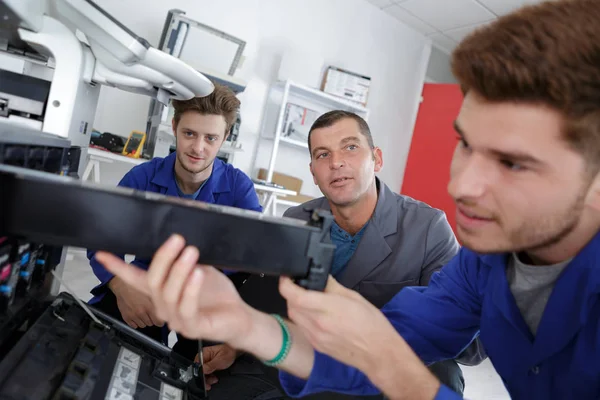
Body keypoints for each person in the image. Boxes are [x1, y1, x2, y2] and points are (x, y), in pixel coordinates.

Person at [97, 0, 600, 398]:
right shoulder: (482, 266)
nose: (462, 184)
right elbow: (374, 350)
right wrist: (249, 328)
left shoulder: (431, 230)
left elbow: (426, 365)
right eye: (465, 144)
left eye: (513, 161)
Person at [197, 110, 477, 398]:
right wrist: (236, 345)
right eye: (322, 154)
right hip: (301, 362)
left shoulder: (428, 228)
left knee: (443, 373)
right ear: (314, 174)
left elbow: (469, 343)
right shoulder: (296, 220)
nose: (336, 162)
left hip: (381, 371)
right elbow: (272, 307)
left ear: (376, 159)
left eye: (350, 147)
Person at [87, 83, 262, 360]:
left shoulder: (238, 187)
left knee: (211, 373)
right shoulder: (142, 178)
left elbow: (255, 254)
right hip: (146, 286)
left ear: (225, 136)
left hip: (208, 297)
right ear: (175, 126)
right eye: (189, 134)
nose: (198, 148)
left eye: (211, 138)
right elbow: (101, 237)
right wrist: (121, 285)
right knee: (98, 344)